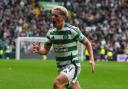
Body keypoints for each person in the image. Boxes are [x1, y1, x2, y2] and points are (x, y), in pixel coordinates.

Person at [32, 6, 96, 89]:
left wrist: (92, 59)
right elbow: (45, 50)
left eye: (56, 16)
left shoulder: (72, 30)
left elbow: (87, 43)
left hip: (73, 65)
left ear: (63, 17)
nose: (53, 17)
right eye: (52, 15)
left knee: (57, 83)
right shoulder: (51, 33)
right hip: (61, 68)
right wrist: (39, 50)